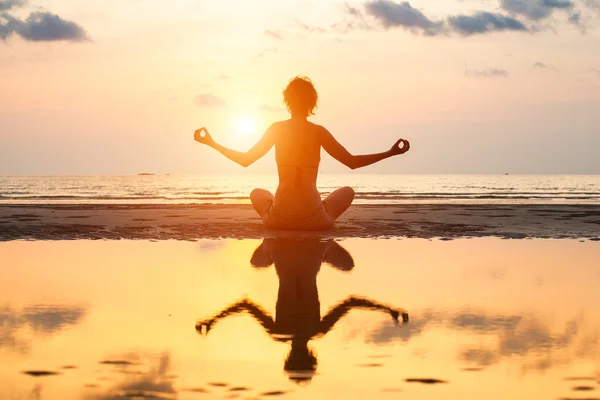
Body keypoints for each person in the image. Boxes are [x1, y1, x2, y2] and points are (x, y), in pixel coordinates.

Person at [194, 76, 410, 230]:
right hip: (314, 221)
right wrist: (389, 153)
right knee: (347, 192)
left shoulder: (277, 129)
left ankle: (280, 210)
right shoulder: (318, 132)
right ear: (312, 103)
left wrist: (212, 143)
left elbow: (245, 160)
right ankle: (319, 210)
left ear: (287, 102)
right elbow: (351, 162)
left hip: (278, 220)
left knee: (257, 193)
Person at [195, 238, 409, 384]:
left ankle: (318, 245)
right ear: (289, 357)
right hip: (283, 250)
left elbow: (350, 303)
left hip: (314, 250)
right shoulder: (280, 332)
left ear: (311, 358)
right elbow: (245, 305)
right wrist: (213, 320)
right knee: (257, 262)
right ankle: (272, 244)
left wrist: (387, 309)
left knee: (347, 264)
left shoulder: (315, 330)